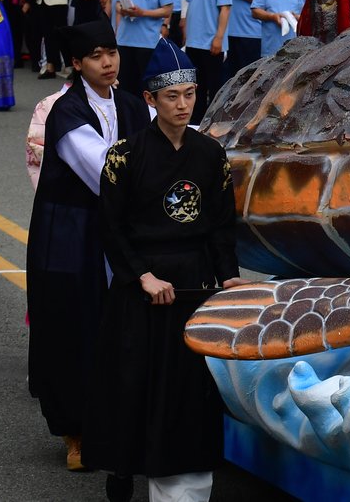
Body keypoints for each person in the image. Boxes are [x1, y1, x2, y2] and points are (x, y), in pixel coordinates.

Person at [83, 38, 241, 502]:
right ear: (150, 99)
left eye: (190, 94)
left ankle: (180, 476)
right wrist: (142, 278)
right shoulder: (125, 156)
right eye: (172, 96)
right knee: (134, 383)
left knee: (188, 389)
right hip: (144, 284)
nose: (182, 104)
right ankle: (123, 466)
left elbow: (220, 223)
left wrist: (227, 276)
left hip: (192, 283)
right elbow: (111, 229)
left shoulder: (211, 153)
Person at [26, 19, 151, 473]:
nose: (109, 62)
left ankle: (119, 422)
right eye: (97, 55)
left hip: (116, 231)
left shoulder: (136, 106)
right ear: (77, 64)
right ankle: (74, 431)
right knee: (72, 327)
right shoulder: (67, 111)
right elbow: (105, 173)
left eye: (112, 52)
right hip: (72, 234)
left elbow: (169, 144)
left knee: (120, 328)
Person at [182, 0, 232, 126]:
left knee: (214, 86)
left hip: (211, 42)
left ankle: (214, 125)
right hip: (194, 41)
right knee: (196, 88)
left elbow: (225, 9)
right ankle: (195, 124)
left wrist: (219, 38)